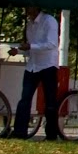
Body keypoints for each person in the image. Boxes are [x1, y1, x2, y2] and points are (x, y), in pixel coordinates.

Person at [10, 8, 63, 141]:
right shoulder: (30, 25)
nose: (27, 11)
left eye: (29, 8)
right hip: (33, 66)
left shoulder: (49, 21)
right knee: (25, 99)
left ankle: (51, 134)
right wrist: (19, 51)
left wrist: (30, 46)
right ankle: (19, 132)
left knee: (50, 101)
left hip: (48, 65)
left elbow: (51, 44)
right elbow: (31, 49)